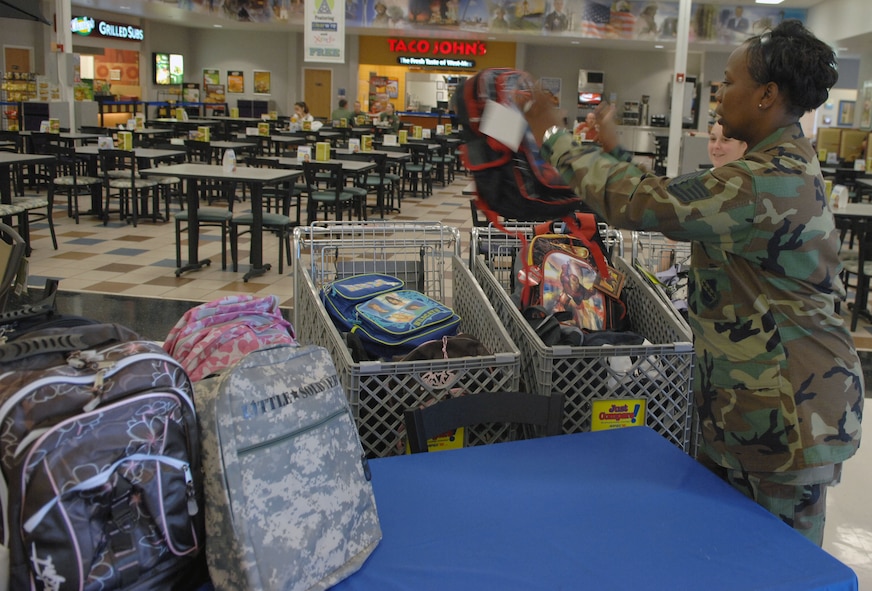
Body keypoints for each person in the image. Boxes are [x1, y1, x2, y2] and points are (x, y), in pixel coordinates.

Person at [521, 19, 863, 546]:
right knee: (725, 558)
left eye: (729, 82)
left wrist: (552, 134)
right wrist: (613, 157)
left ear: (768, 95)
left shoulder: (766, 180)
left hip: (790, 421)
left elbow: (642, 203)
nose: (719, 93)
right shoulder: (767, 168)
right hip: (750, 411)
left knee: (778, 571)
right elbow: (665, 196)